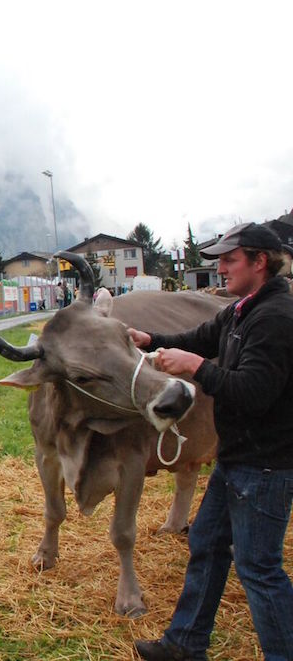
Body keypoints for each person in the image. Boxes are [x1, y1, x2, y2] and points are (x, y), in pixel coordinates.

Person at [129, 222, 293, 661]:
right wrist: (153, 340)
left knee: (258, 567)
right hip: (237, 456)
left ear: (260, 262)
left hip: (265, 465)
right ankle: (185, 644)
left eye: (229, 259)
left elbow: (255, 391)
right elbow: (197, 338)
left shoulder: (276, 318)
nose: (218, 268)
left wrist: (198, 368)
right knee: (206, 543)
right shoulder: (242, 309)